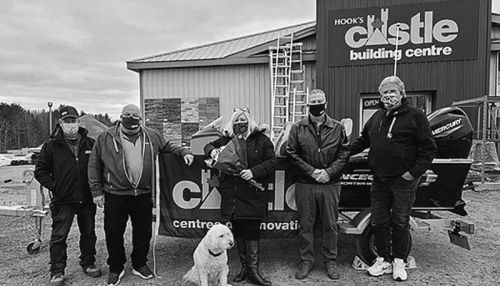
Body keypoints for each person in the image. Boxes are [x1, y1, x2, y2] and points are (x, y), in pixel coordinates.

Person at [88, 104, 194, 286]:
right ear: (121, 117)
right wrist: (97, 192)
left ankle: (139, 263)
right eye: (127, 117)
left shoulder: (151, 135)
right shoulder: (105, 137)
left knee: (143, 232)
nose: (131, 123)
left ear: (140, 120)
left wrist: (184, 152)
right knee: (113, 232)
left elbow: (168, 146)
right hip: (115, 193)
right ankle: (116, 267)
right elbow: (94, 165)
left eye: (135, 118)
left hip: (143, 193)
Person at [350, 76, 436, 281]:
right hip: (379, 179)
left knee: (400, 221)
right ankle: (383, 259)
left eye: (392, 92)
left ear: (401, 94)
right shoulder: (377, 117)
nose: (388, 96)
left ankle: (399, 261)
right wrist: (341, 153)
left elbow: (428, 148)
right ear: (380, 95)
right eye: (385, 92)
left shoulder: (415, 116)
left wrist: (412, 173)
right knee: (379, 221)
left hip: (403, 181)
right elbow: (363, 140)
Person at [204, 108, 276, 286]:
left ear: (249, 120)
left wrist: (253, 172)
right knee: (239, 232)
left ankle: (253, 270)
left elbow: (272, 162)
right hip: (233, 197)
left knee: (252, 232)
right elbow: (208, 146)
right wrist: (213, 152)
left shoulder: (262, 139)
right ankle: (244, 268)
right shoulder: (228, 139)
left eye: (242, 120)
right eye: (236, 120)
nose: (239, 123)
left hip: (253, 196)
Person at [34, 105, 102, 286]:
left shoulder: (90, 144)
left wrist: (97, 191)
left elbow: (98, 169)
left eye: (74, 120)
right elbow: (40, 171)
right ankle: (57, 271)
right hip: (63, 200)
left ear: (79, 122)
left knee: (88, 233)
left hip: (86, 199)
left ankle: (88, 263)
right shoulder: (51, 146)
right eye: (67, 121)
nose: (71, 124)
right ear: (61, 123)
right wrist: (56, 187)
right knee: (59, 236)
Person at [286, 89, 350, 280]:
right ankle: (306, 260)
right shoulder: (298, 128)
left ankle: (330, 261)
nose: (317, 104)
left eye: (319, 101)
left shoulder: (338, 128)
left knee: (330, 224)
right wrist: (312, 172)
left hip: (330, 184)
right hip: (306, 183)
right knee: (306, 224)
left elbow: (345, 153)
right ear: (308, 105)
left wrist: (328, 172)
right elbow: (291, 153)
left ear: (326, 103)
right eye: (313, 101)